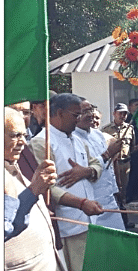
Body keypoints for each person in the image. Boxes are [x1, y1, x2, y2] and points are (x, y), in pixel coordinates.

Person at [30, 93, 104, 271]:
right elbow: (46, 187)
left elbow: (95, 163)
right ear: (60, 113)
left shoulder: (77, 139)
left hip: (88, 221)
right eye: (75, 115)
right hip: (67, 226)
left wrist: (87, 171)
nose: (79, 120)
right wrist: (80, 203)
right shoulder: (42, 143)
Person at [4, 108, 66, 271]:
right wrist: (33, 191)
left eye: (24, 135)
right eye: (15, 135)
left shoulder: (12, 164)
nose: (23, 142)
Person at [73, 99, 124, 230]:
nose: (90, 115)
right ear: (75, 114)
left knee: (119, 240)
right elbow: (84, 169)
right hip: (90, 202)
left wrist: (115, 190)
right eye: (85, 112)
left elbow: (109, 168)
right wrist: (108, 153)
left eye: (91, 109)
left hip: (109, 199)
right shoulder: (72, 138)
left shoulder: (98, 134)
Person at [101, 102, 135, 228]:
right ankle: (116, 219)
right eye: (120, 113)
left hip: (125, 164)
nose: (123, 116)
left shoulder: (130, 128)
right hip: (111, 165)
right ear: (114, 113)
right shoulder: (106, 130)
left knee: (124, 193)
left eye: (125, 113)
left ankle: (124, 219)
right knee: (114, 192)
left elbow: (132, 147)